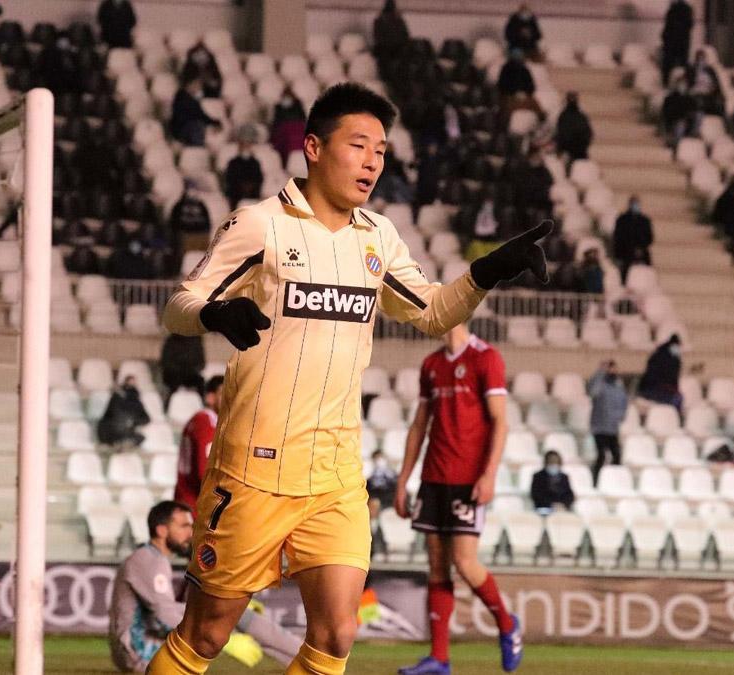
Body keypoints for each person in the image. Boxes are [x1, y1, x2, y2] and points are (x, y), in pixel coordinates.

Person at [154, 82, 546, 675]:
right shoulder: (260, 225)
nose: (372, 162)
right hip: (256, 468)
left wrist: (487, 272)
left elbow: (433, 310)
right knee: (205, 635)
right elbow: (178, 304)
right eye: (359, 145)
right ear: (313, 147)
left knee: (337, 632)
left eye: (382, 151)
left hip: (336, 474)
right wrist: (213, 312)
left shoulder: (377, 237)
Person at [394, 324, 518, 675]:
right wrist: (404, 480)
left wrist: (489, 474)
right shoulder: (431, 364)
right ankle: (439, 658)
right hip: (434, 478)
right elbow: (420, 425)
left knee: (465, 563)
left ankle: (508, 625)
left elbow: (500, 422)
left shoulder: (486, 357)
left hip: (468, 480)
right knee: (436, 565)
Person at [110, 501, 302, 672]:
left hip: (140, 645)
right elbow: (164, 615)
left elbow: (164, 611)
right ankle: (303, 657)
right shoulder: (149, 561)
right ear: (161, 531)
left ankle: (298, 657)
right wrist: (225, 638)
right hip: (139, 651)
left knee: (234, 614)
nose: (190, 533)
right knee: (225, 618)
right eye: (184, 526)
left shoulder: (150, 558)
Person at [174, 376, 222, 511]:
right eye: (225, 393)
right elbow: (206, 472)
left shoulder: (196, 420)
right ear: (210, 397)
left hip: (186, 499)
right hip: (197, 505)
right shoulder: (207, 422)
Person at [588, 360, 628, 485]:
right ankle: (595, 481)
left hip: (612, 428)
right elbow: (593, 391)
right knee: (601, 456)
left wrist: (620, 416)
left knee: (617, 455)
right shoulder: (600, 384)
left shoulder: (618, 386)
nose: (613, 371)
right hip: (599, 427)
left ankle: (613, 481)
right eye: (610, 369)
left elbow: (623, 402)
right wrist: (600, 372)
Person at [98, 375, 150, 447]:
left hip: (127, 432)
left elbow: (146, 419)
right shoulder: (116, 399)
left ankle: (124, 443)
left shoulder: (135, 401)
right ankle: (119, 443)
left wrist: (134, 423)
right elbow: (106, 420)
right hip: (113, 433)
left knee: (140, 438)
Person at [612, 195, 653, 282]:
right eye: (633, 203)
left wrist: (640, 248)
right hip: (625, 254)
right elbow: (617, 237)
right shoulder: (622, 220)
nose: (635, 206)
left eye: (637, 203)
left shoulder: (644, 220)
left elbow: (649, 238)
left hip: (642, 254)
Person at [170, 77, 220, 147]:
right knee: (197, 126)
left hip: (189, 126)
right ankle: (197, 147)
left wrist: (215, 122)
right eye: (196, 85)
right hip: (181, 128)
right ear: (190, 84)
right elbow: (197, 114)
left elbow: (201, 114)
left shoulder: (192, 99)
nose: (198, 88)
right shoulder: (182, 97)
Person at [638, 335, 683, 411]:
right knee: (677, 399)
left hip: (651, 387)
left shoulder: (659, 353)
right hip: (654, 389)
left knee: (677, 398)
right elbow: (668, 377)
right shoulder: (668, 358)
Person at [224, 127, 264, 208]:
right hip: (236, 198)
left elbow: (258, 180)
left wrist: (250, 187)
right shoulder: (233, 163)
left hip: (253, 197)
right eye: (243, 143)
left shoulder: (255, 163)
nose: (246, 146)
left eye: (248, 143)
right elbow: (230, 182)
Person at [661, 0, 694, 85]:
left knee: (670, 65)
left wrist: (665, 38)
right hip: (677, 43)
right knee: (679, 65)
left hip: (675, 43)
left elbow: (667, 28)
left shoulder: (676, 10)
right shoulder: (685, 9)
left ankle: (668, 84)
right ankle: (683, 85)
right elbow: (689, 26)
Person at [269, 88, 307, 162]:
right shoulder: (278, 107)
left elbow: (303, 118)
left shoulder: (298, 105)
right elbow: (276, 121)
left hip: (296, 128)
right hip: (284, 131)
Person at [554, 92, 593, 162]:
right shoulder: (580, 116)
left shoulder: (566, 116)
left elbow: (560, 133)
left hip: (574, 151)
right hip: (575, 151)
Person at [660, 76, 696, 146]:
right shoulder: (669, 98)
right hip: (671, 121)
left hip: (685, 123)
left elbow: (692, 113)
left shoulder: (690, 99)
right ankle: (674, 142)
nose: (682, 86)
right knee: (678, 124)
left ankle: (679, 143)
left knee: (681, 124)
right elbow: (665, 112)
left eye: (684, 84)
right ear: (676, 85)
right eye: (680, 84)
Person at [365, 449, 397, 520]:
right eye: (377, 458)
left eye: (381, 458)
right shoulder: (369, 477)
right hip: (373, 497)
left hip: (388, 499)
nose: (379, 461)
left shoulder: (392, 475)